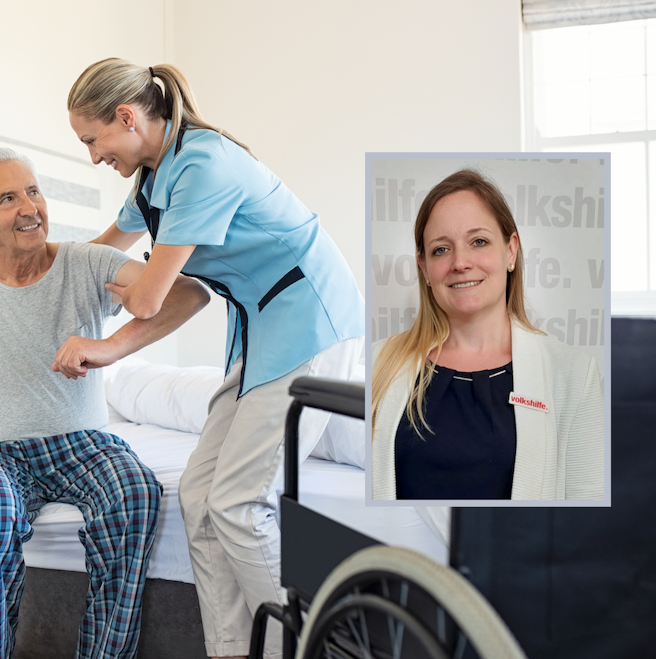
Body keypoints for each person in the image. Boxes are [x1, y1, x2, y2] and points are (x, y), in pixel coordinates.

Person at [68, 59, 365, 659]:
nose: (94, 156)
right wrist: (35, 269)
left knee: (237, 502)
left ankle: (307, 648)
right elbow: (102, 253)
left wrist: (104, 339)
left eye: (92, 140)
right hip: (262, 335)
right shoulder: (153, 179)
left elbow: (153, 296)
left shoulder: (204, 165)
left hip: (312, 325)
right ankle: (233, 650)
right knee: (199, 495)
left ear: (126, 118)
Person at [0, 147, 210, 659]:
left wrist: (108, 348)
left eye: (34, 191)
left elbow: (188, 295)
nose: (29, 207)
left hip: (82, 443)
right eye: (9, 198)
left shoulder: (88, 262)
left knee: (135, 494)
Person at [371, 169, 604, 501]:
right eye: (441, 250)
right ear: (423, 268)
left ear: (510, 251)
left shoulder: (574, 375)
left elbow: (587, 521)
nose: (460, 262)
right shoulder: (377, 364)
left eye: (478, 242)